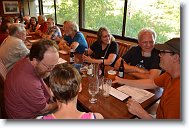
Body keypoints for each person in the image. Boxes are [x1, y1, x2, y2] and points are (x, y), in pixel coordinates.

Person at [113, 38, 180, 119]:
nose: (159, 55)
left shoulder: (178, 93)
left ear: (175, 57)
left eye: (163, 52)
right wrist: (122, 80)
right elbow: (151, 82)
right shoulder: (169, 74)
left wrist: (140, 113)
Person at [4, 39, 59, 119]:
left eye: (54, 65)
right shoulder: (29, 83)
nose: (51, 70)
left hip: (17, 109)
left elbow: (40, 81)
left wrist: (50, 92)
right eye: (49, 67)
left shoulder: (26, 60)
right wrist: (60, 103)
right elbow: (44, 109)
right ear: (35, 61)